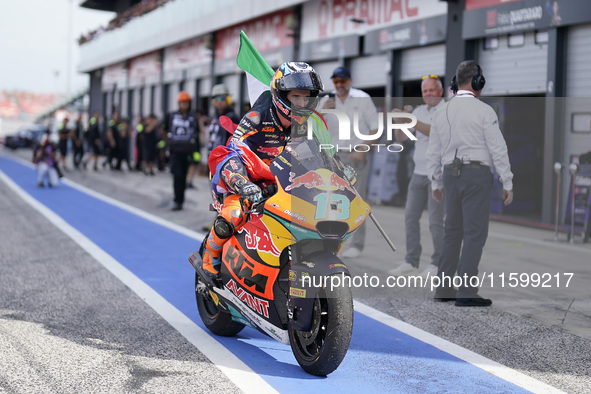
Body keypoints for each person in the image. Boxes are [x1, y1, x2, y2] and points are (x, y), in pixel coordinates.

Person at [198, 62, 323, 276]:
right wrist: (242, 183)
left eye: (307, 97)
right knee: (234, 214)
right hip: (243, 177)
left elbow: (320, 155)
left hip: (278, 181)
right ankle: (211, 257)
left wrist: (339, 172)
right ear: (282, 96)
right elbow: (234, 147)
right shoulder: (258, 116)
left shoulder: (307, 125)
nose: (303, 102)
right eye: (296, 97)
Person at [427, 61, 514, 307]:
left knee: (452, 232)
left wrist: (435, 183)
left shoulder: (442, 111)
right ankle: (466, 291)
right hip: (476, 175)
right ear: (478, 82)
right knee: (475, 234)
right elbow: (498, 149)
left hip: (449, 176)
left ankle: (443, 290)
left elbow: (433, 151)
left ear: (455, 83)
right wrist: (506, 180)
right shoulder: (485, 111)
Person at [389, 75, 446, 277]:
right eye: (425, 91)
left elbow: (435, 132)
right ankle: (411, 261)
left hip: (438, 174)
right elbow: (402, 138)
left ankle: (438, 263)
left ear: (440, 91)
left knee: (435, 221)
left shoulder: (446, 110)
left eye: (432, 90)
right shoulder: (419, 111)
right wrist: (399, 122)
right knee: (410, 218)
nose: (428, 94)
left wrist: (410, 119)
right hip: (418, 173)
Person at [321, 66, 379, 259]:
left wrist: (362, 149)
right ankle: (331, 241)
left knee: (356, 201)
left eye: (342, 81)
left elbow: (376, 129)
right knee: (332, 201)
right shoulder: (327, 101)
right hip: (333, 157)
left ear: (350, 81)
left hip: (355, 156)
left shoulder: (362, 99)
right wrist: (322, 112)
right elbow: (312, 127)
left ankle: (357, 244)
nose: (339, 85)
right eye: (336, 81)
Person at [161, 91, 201, 211]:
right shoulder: (171, 115)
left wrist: (196, 150)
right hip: (175, 151)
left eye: (186, 103)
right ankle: (177, 200)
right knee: (177, 175)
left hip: (187, 151)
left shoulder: (193, 117)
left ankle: (180, 200)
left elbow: (197, 133)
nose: (184, 105)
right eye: (182, 102)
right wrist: (167, 141)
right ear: (179, 103)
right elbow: (163, 128)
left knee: (183, 176)